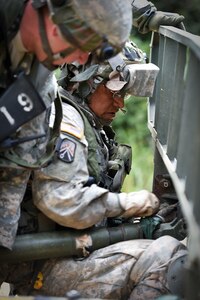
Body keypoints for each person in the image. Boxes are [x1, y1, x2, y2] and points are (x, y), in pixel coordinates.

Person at [0, 42, 187, 299]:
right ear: (84, 82)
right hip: (47, 265)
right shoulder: (66, 120)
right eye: (114, 91)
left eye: (125, 94)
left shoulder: (89, 123)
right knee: (167, 259)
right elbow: (62, 201)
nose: (120, 103)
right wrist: (129, 203)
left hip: (65, 253)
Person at [0, 0, 133, 251]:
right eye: (81, 44)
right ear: (56, 20)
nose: (82, 58)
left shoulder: (40, 85)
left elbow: (14, 171)